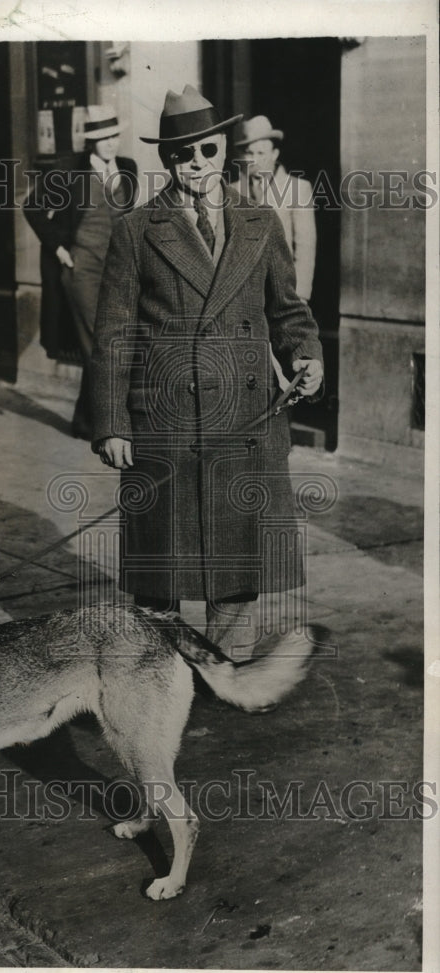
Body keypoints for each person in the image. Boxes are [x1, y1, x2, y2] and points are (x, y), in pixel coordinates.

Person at [90, 84, 324, 659]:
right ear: (166, 159)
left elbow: (288, 309)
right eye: (181, 153)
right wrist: (111, 423)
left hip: (245, 416)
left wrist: (307, 355)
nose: (196, 164)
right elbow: (114, 334)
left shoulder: (260, 220)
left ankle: (229, 665)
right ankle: (155, 673)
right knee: (161, 563)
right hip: (166, 418)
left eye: (207, 151)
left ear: (225, 149)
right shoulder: (137, 229)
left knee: (237, 555)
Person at [24, 106, 138, 439]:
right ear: (90, 142)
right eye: (102, 138)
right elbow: (31, 206)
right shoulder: (68, 171)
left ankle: (84, 420)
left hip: (117, 269)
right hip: (82, 270)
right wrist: (60, 249)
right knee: (101, 345)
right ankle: (110, 426)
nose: (110, 144)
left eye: (114, 136)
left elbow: (129, 218)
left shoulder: (128, 169)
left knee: (108, 343)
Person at [233, 115, 316, 302]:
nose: (253, 159)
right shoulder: (231, 191)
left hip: (283, 291)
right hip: (243, 293)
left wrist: (300, 296)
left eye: (260, 153)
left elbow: (305, 246)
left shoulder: (298, 189)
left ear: (275, 154)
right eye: (248, 152)